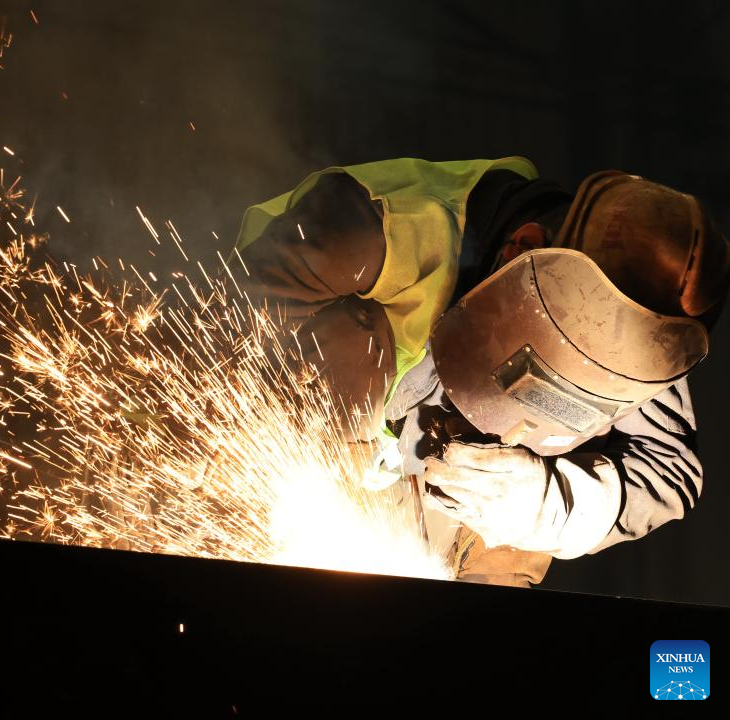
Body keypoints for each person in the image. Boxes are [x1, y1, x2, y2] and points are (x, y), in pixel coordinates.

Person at [234, 157, 730, 586]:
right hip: (320, 445)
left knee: (521, 542)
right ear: (520, 248)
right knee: (347, 344)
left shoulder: (639, 329)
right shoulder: (370, 232)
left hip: (446, 487)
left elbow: (667, 468)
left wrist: (546, 504)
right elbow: (211, 336)